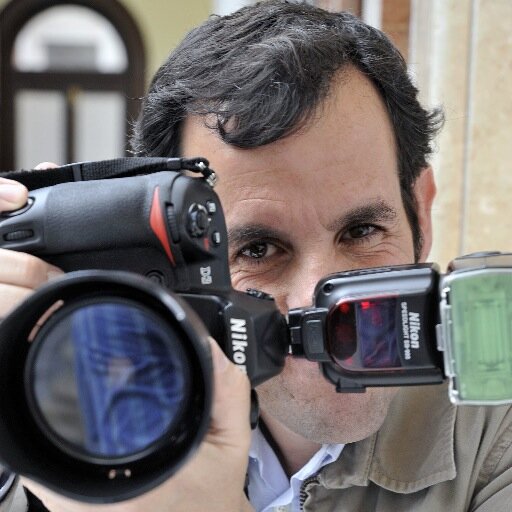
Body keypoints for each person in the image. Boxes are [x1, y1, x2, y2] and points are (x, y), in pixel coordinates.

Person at [1, 1, 512, 510]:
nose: (318, 294)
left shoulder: (498, 430)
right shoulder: (68, 415)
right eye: (258, 249)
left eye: (361, 230)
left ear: (420, 217)